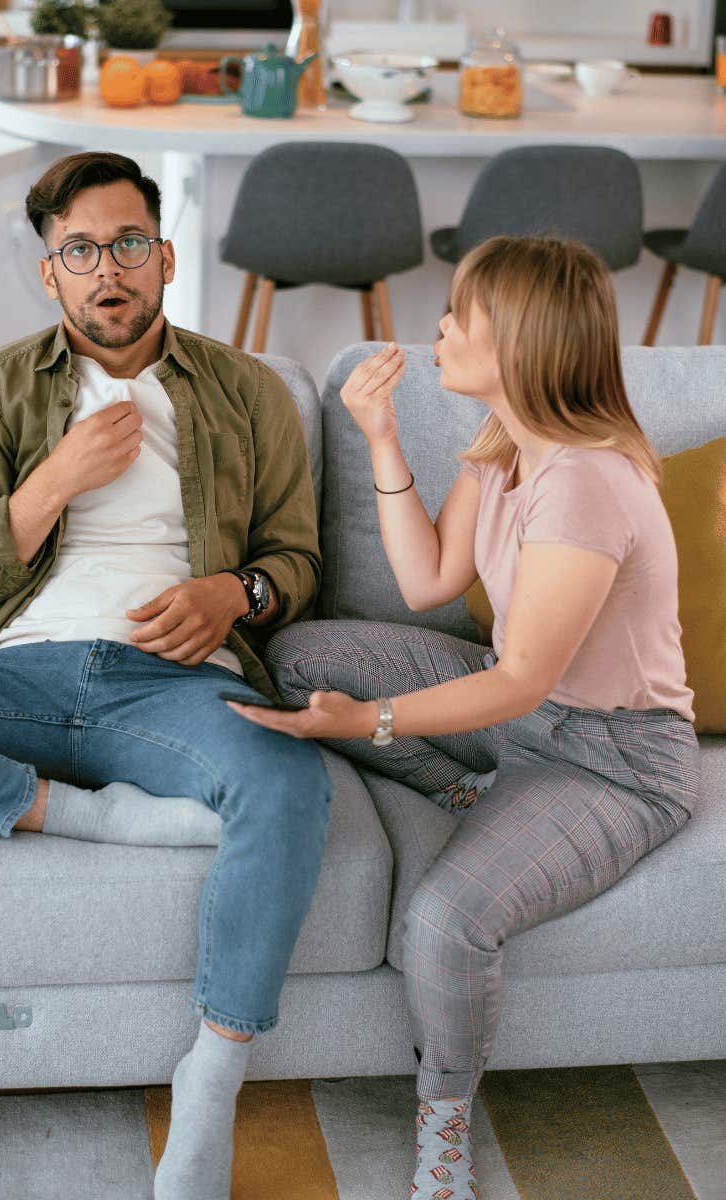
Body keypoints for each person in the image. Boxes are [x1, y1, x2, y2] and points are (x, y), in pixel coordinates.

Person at [0, 151, 332, 1200]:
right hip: (16, 676)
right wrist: (51, 484)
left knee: (288, 781)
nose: (106, 268)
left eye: (127, 243)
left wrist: (236, 597)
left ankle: (211, 1078)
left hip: (173, 686)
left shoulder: (246, 390)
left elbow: (298, 561)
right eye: (78, 250)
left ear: (164, 257)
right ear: (51, 275)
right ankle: (86, 816)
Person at [227, 236, 700, 1200]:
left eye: (460, 315)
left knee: (443, 921)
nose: (437, 327)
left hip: (614, 759)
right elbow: (426, 580)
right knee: (299, 653)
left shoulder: (587, 481)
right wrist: (382, 437)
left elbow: (522, 680)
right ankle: (465, 785)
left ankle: (443, 1132)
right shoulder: (504, 448)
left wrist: (367, 725)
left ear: (519, 338)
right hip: (520, 716)